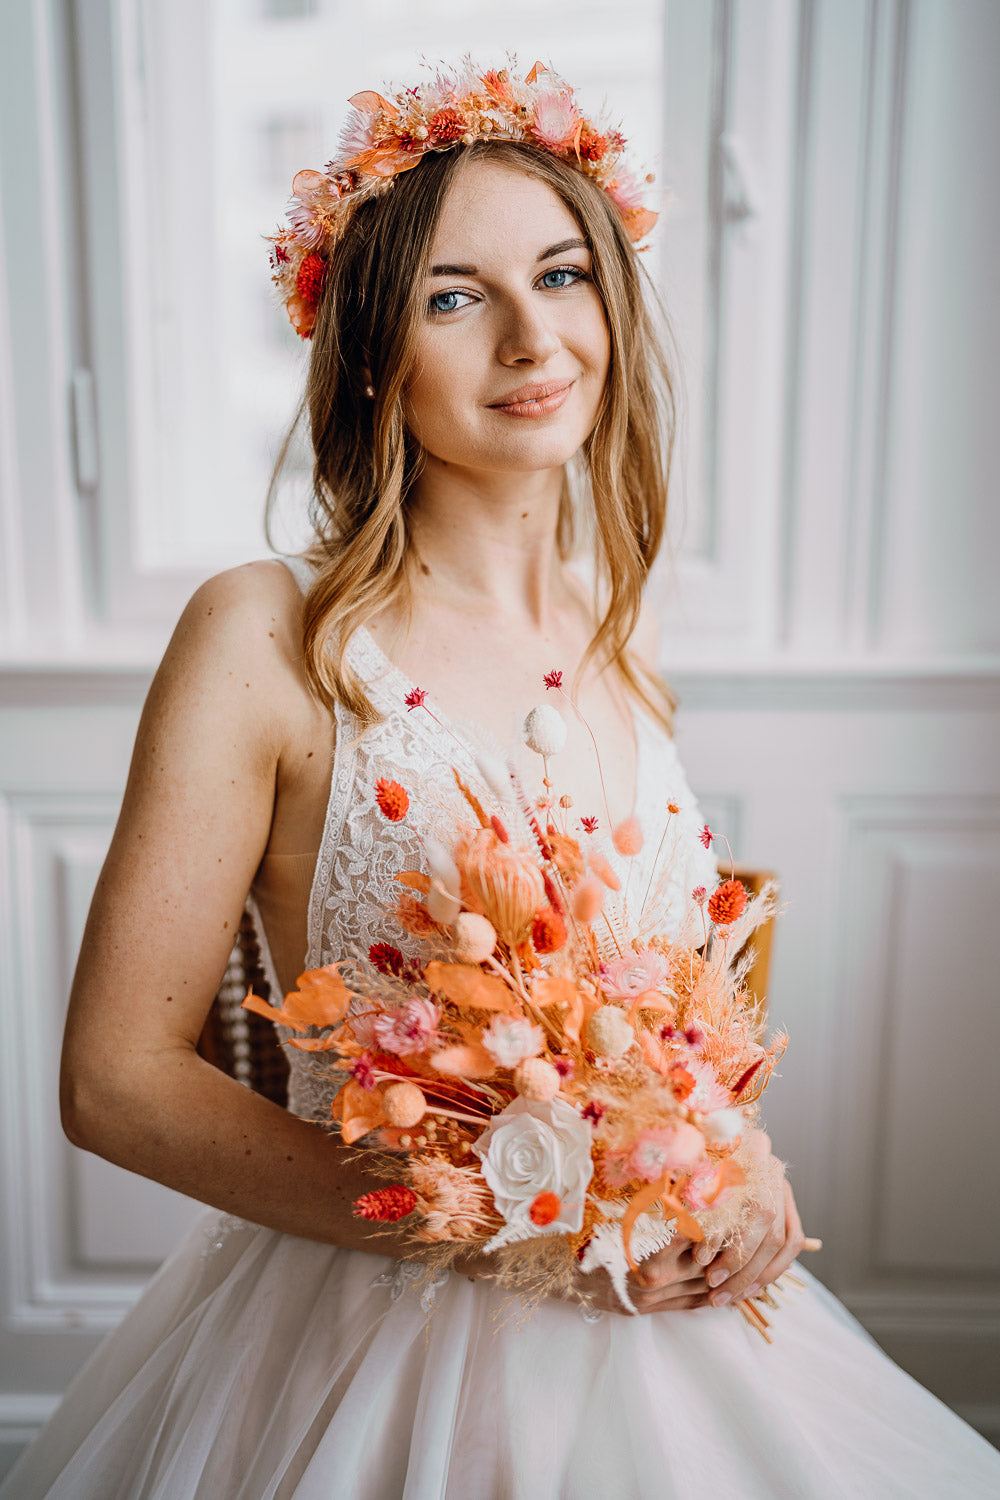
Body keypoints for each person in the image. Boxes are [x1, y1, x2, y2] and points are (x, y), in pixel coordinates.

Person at [4, 60, 998, 1500]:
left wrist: (732, 1171)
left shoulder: (621, 625)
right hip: (370, 1334)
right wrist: (504, 1216)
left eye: (565, 275)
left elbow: (655, 1018)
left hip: (672, 1331)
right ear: (370, 351)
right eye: (456, 296)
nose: (537, 338)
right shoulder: (263, 633)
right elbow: (113, 1081)